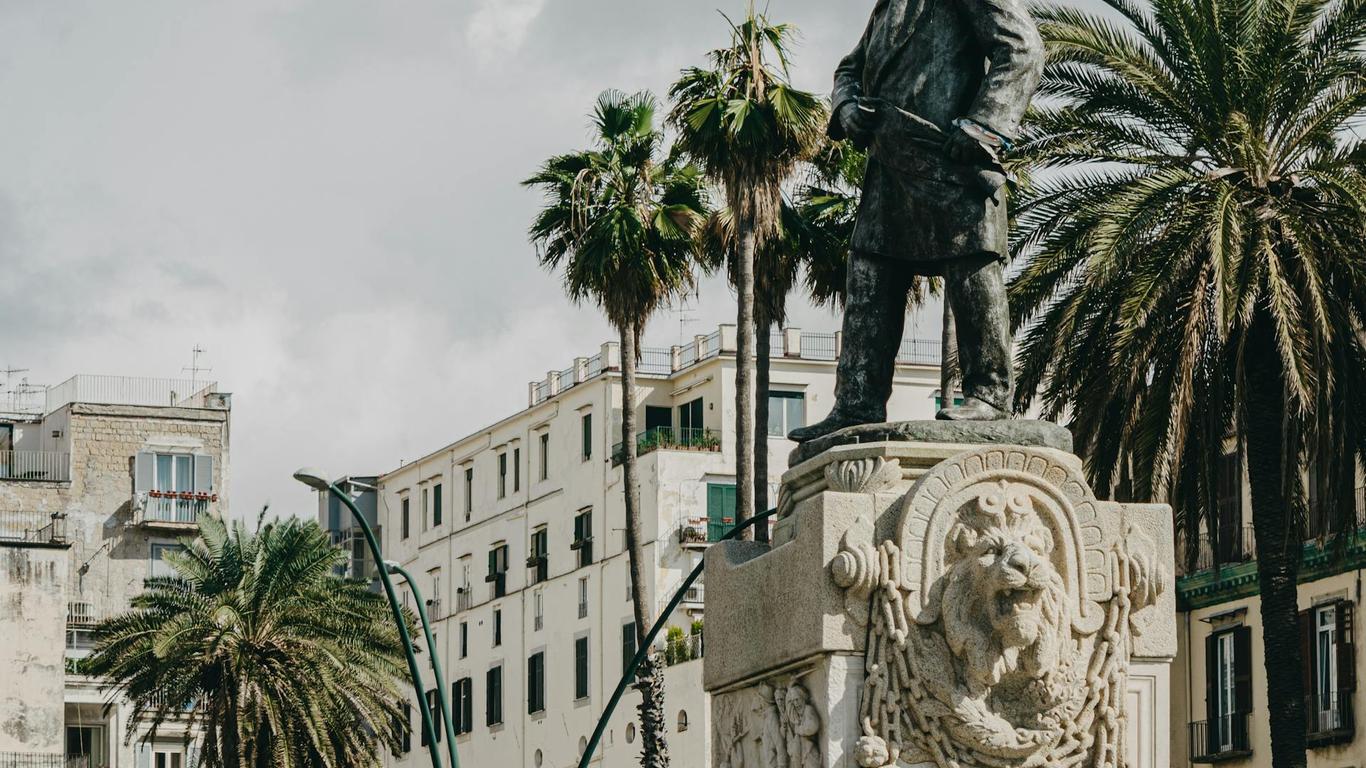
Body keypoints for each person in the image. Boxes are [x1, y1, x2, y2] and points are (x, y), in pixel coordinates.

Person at [789, 0, 1044, 441]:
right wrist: (846, 107)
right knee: (869, 278)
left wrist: (983, 126)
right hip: (888, 166)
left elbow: (1023, 47)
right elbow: (849, 69)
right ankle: (856, 405)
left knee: (972, 273)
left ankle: (990, 395)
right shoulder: (888, 6)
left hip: (948, 161)